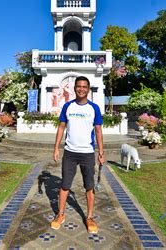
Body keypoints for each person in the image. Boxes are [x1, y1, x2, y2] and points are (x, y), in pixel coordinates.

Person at [50, 76, 104, 234]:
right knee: (65, 185)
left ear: (88, 89)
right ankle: (60, 215)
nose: (81, 89)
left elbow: (99, 131)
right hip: (70, 153)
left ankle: (90, 217)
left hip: (87, 153)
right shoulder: (67, 106)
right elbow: (61, 128)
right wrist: (56, 148)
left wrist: (101, 152)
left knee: (89, 186)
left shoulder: (94, 108)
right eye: (78, 86)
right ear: (74, 88)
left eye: (84, 87)